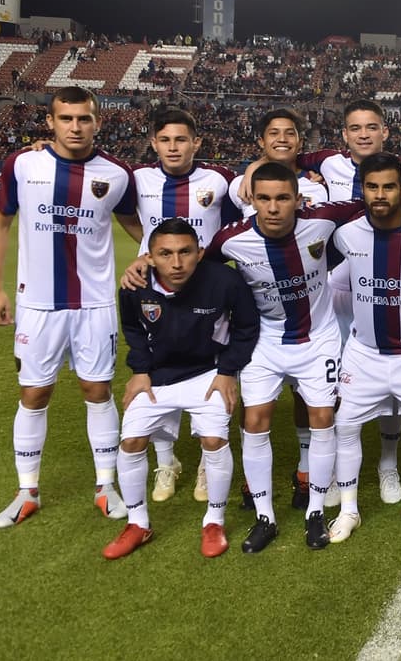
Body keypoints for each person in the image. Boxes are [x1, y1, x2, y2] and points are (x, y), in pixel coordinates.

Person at [0, 87, 144, 528]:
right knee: (34, 394)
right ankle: (26, 491)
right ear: (51, 122)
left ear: (98, 121)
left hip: (94, 305)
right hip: (37, 304)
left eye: (84, 118)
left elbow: (135, 223)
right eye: (66, 118)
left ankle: (106, 485)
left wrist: (153, 254)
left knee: (98, 392)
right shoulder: (23, 164)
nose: (75, 127)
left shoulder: (116, 174)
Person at [203, 162, 364, 552]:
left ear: (298, 199)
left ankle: (314, 512)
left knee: (323, 418)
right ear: (252, 199)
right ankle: (265, 517)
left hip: (318, 339)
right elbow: (201, 269)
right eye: (264, 199)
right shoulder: (231, 239)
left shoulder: (322, 220)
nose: (273, 207)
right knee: (255, 420)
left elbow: (375, 204)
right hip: (265, 342)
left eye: (281, 198)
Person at [103, 219, 259, 559]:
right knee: (130, 442)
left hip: (209, 371)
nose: (176, 262)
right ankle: (138, 523)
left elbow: (247, 327)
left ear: (200, 253)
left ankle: (214, 521)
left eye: (185, 252)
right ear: (149, 256)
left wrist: (228, 370)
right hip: (157, 375)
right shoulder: (134, 285)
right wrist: (140, 371)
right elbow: (132, 328)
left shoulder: (225, 281)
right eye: (166, 254)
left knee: (214, 440)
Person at [326, 153, 401, 544]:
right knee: (344, 427)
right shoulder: (345, 234)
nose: (380, 195)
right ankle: (348, 510)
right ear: (362, 189)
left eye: (390, 187)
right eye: (372, 186)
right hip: (363, 353)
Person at [133, 106, 241, 504]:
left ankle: (203, 463)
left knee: (209, 373)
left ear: (196, 142)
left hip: (208, 294)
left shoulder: (219, 180)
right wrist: (148, 253)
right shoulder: (137, 179)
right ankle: (167, 461)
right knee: (161, 374)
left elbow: (234, 224)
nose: (173, 147)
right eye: (165, 140)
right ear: (153, 143)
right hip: (155, 293)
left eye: (181, 139)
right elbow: (130, 218)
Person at [228, 107, 330, 511]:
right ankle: (252, 483)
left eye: (291, 132)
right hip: (259, 313)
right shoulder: (239, 182)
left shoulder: (318, 189)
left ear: (301, 142)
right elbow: (220, 239)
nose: (283, 139)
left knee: (310, 397)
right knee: (255, 402)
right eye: (274, 133)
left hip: (312, 302)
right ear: (261, 141)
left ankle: (306, 469)